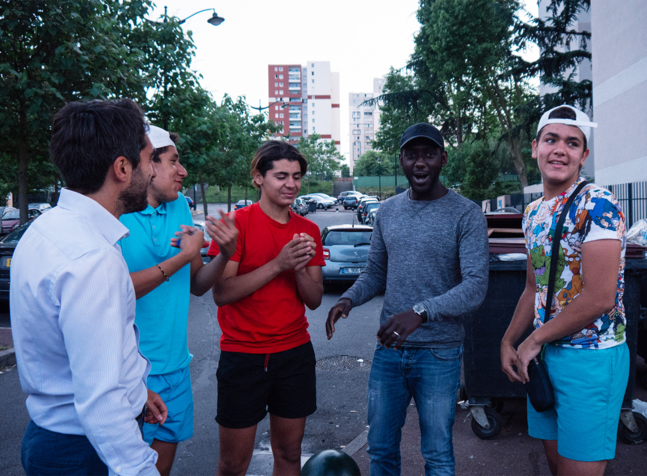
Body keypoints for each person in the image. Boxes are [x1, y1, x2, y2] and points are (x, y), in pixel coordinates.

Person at [11, 99, 166, 475]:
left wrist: (135, 390)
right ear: (122, 168)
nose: (153, 171)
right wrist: (141, 470)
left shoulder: (49, 228)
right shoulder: (90, 258)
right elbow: (100, 400)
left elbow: (83, 358)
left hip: (58, 437)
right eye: (150, 160)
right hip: (83, 451)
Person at [326, 123, 489, 476]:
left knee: (437, 454)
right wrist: (348, 299)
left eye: (428, 154)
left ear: (443, 159)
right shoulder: (388, 211)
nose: (420, 163)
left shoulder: (466, 214)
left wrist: (420, 311)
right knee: (381, 449)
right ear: (400, 159)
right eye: (411, 154)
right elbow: (375, 273)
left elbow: (476, 286)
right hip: (390, 350)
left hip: (439, 352)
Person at [500, 105, 627, 476]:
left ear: (583, 156)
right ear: (535, 147)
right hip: (544, 360)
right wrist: (508, 341)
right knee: (558, 468)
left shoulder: (598, 204)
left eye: (573, 143)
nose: (560, 149)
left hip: (591, 360)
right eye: (551, 139)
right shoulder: (533, 212)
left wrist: (533, 340)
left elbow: (601, 296)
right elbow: (532, 287)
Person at [119, 125, 238, 475]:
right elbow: (113, 290)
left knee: (160, 468)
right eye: (174, 161)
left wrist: (225, 254)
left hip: (175, 367)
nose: (183, 171)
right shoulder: (117, 214)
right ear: (148, 165)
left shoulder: (179, 209)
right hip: (131, 372)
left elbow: (198, 285)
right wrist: (179, 258)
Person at [209, 140, 324, 476]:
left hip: (294, 355)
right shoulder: (236, 224)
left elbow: (314, 300)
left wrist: (299, 267)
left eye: (297, 176)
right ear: (258, 177)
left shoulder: (308, 230)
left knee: (289, 455)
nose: (291, 184)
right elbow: (222, 293)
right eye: (281, 175)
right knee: (233, 464)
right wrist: (278, 264)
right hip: (243, 356)